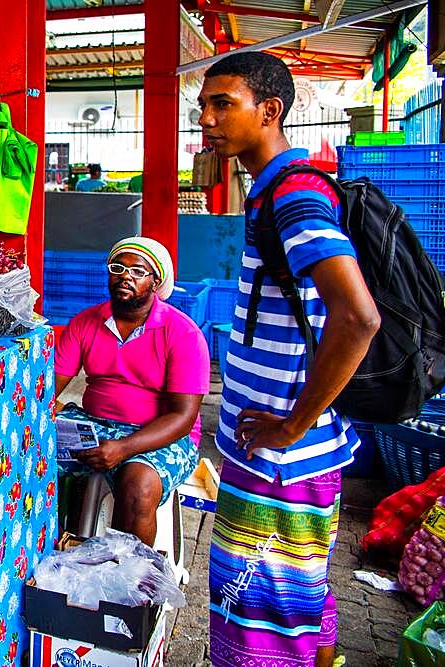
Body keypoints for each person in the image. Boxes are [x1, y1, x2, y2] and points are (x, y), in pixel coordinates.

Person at [198, 52, 379, 667]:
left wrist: (291, 425)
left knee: (261, 617)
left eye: (224, 104)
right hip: (274, 446)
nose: (207, 119)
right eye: (204, 105)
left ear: (269, 110)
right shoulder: (270, 191)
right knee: (298, 599)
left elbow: (357, 317)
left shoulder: (293, 195)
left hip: (281, 455)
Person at [53, 237, 210, 546]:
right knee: (27, 454)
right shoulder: (86, 323)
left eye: (138, 271)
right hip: (96, 424)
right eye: (118, 268)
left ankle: (127, 580)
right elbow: (48, 388)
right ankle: (42, 555)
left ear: (156, 282)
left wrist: (124, 448)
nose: (126, 276)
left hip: (160, 434)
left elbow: (183, 416)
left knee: (138, 483)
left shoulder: (182, 333)